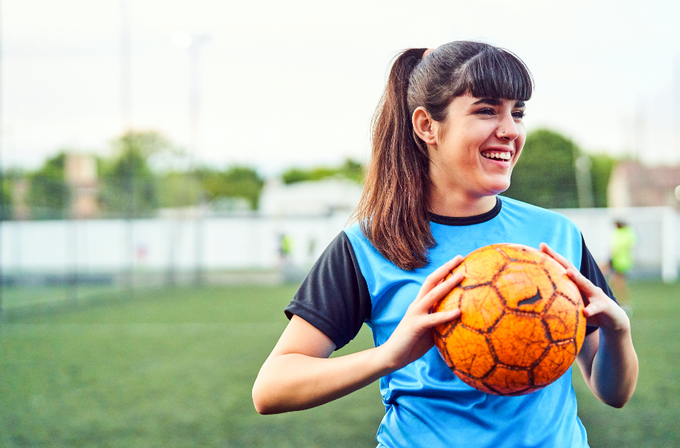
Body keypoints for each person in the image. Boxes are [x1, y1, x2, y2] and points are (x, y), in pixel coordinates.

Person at [252, 41, 638, 447]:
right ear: (426, 125)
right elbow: (272, 388)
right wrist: (390, 356)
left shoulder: (556, 235)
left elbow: (612, 391)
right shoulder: (369, 245)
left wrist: (618, 332)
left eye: (517, 112)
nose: (509, 129)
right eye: (486, 109)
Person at [607, 220, 637, 312]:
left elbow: (616, 248)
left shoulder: (620, 234)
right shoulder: (628, 233)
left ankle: (624, 303)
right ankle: (623, 302)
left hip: (619, 261)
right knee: (616, 282)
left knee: (617, 282)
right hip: (621, 261)